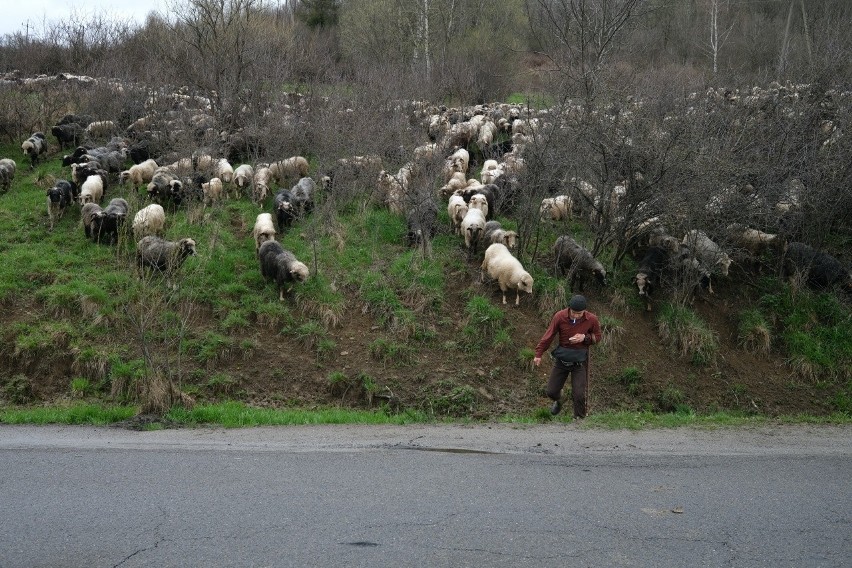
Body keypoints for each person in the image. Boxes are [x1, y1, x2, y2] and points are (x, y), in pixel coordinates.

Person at [532, 294, 602, 418]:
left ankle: (579, 420)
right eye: (574, 312)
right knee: (551, 391)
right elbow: (549, 335)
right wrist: (539, 353)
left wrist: (584, 338)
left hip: (580, 361)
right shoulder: (560, 316)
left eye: (579, 313)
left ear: (584, 311)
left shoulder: (592, 319)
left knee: (579, 394)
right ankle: (559, 400)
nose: (576, 315)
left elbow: (597, 337)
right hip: (562, 360)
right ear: (569, 308)